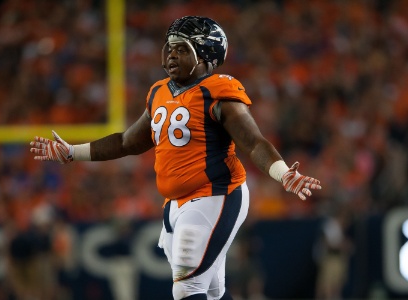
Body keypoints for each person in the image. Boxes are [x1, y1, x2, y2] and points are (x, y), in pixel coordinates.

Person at [29, 16, 322, 300]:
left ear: (206, 56)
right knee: (211, 292)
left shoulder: (217, 91)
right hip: (175, 203)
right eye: (170, 48)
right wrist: (72, 152)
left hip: (215, 194)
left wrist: (284, 174)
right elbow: (127, 142)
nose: (171, 55)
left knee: (187, 288)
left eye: (182, 49)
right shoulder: (159, 91)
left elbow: (254, 142)